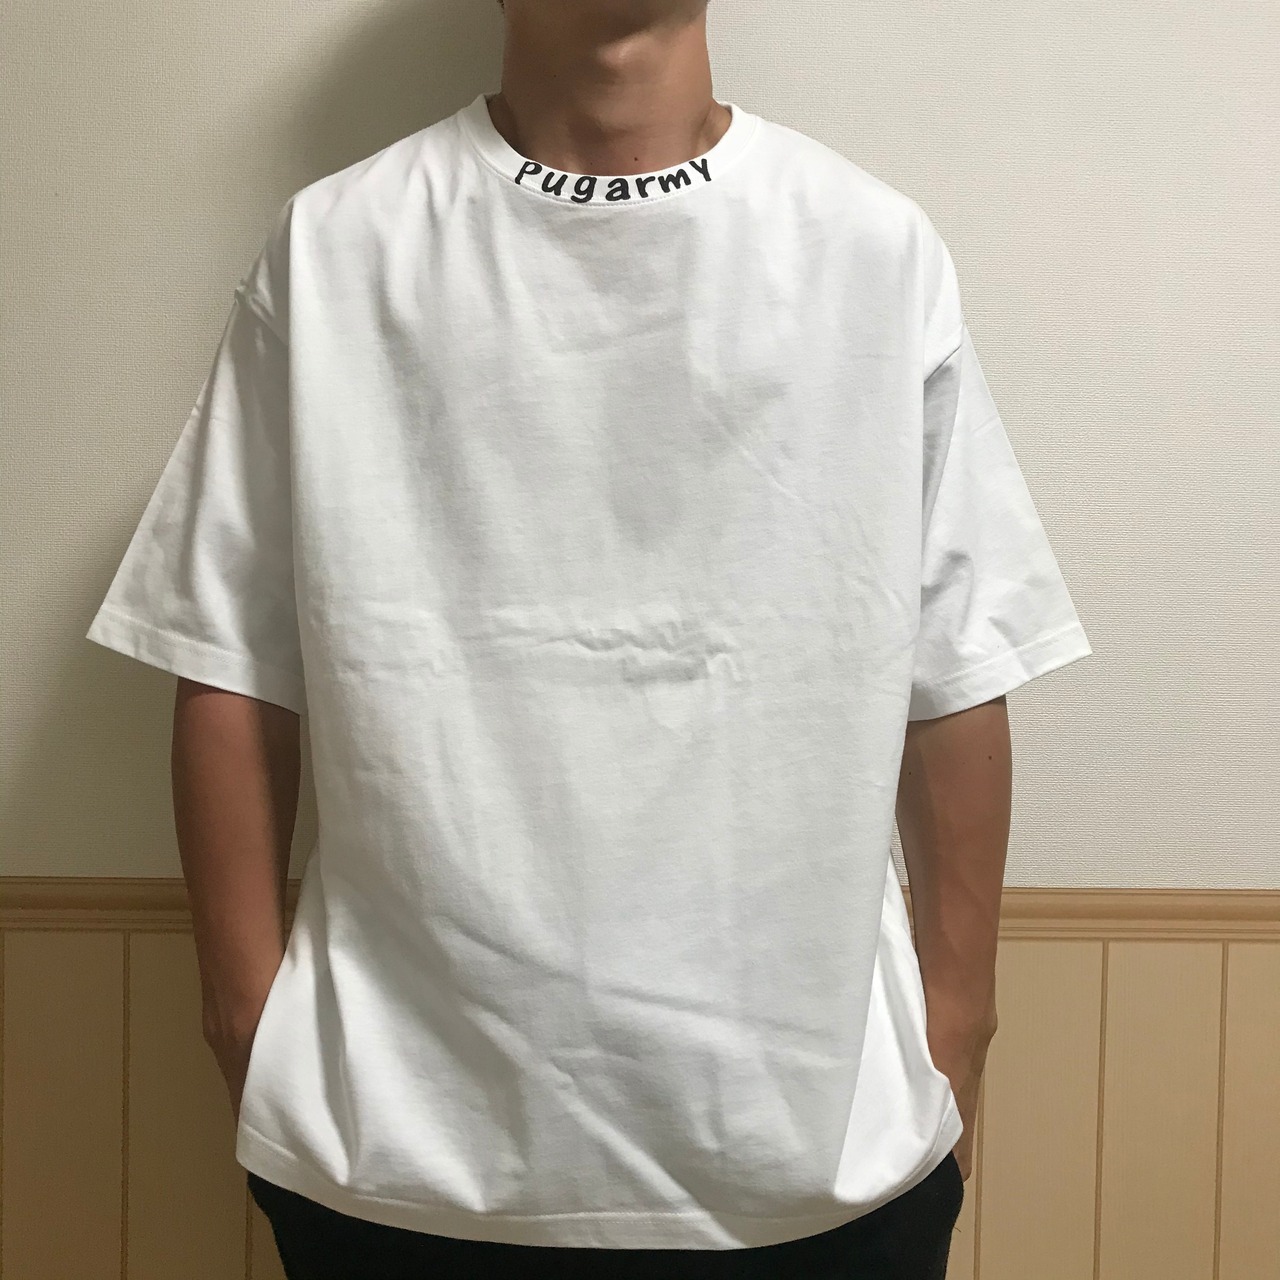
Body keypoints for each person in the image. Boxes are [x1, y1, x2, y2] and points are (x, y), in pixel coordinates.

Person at [84, 1, 1092, 1276]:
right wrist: (245, 1022)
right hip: (396, 1160)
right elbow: (229, 655)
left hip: (822, 1161)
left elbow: (955, 665)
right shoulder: (336, 248)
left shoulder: (872, 252)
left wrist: (956, 1035)